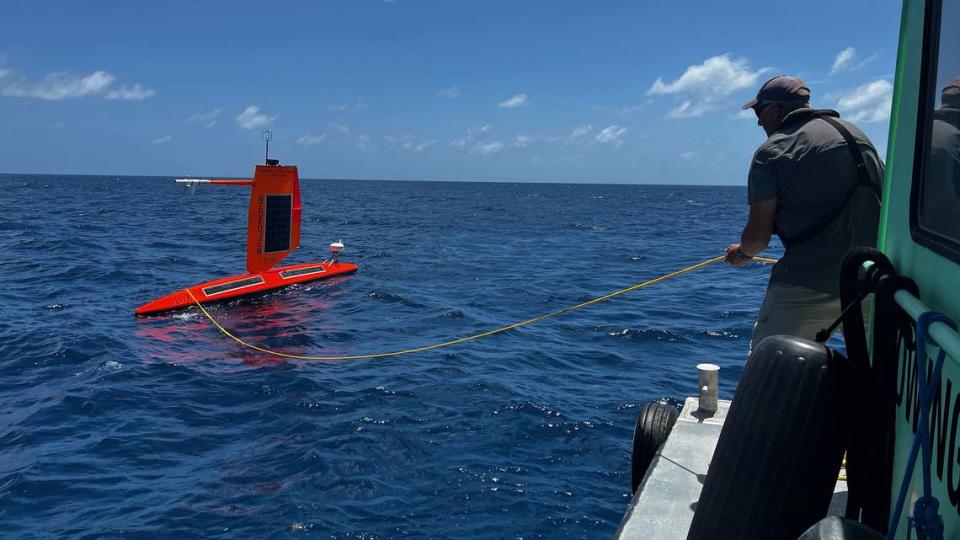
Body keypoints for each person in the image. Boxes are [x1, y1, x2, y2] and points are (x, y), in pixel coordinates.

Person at [724, 75, 884, 352]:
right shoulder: (857, 136)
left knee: (770, 373)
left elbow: (758, 238)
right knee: (881, 377)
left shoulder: (773, 150)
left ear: (774, 109)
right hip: (870, 281)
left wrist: (742, 255)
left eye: (759, 111)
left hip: (806, 281)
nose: (759, 121)